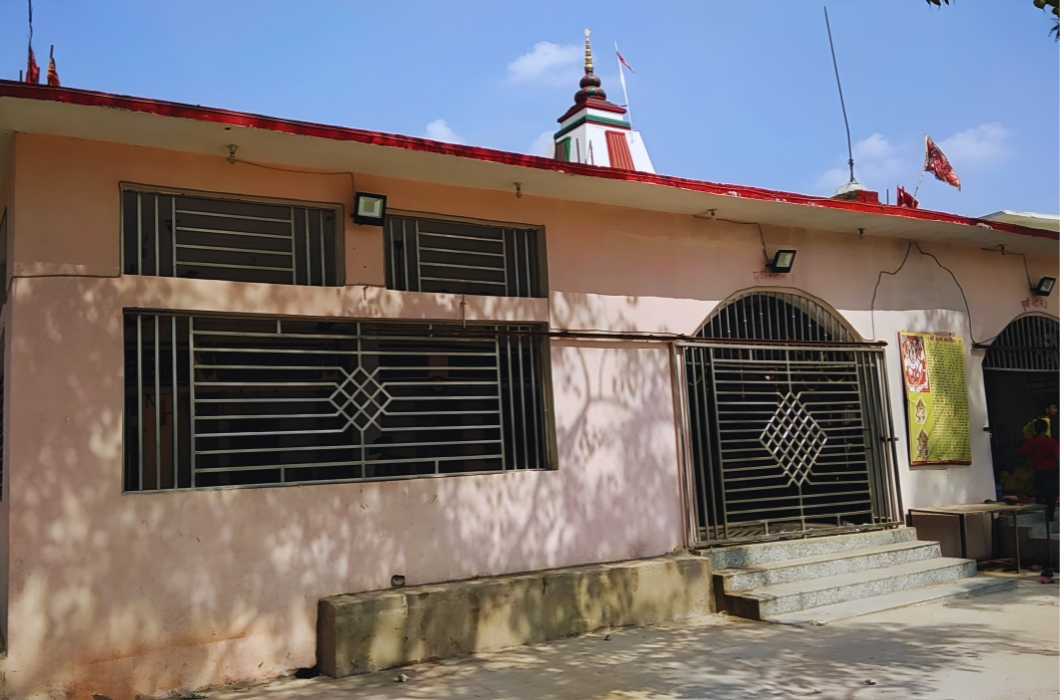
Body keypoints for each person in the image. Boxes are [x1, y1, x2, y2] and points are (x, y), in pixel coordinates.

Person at [1019, 419, 1059, 529]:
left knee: (1039, 491)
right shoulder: (1052, 442)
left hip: (1038, 470)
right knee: (1051, 494)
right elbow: (1057, 455)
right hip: (1051, 469)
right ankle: (1050, 515)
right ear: (1046, 429)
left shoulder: (1031, 442)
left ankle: (1041, 510)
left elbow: (1021, 453)